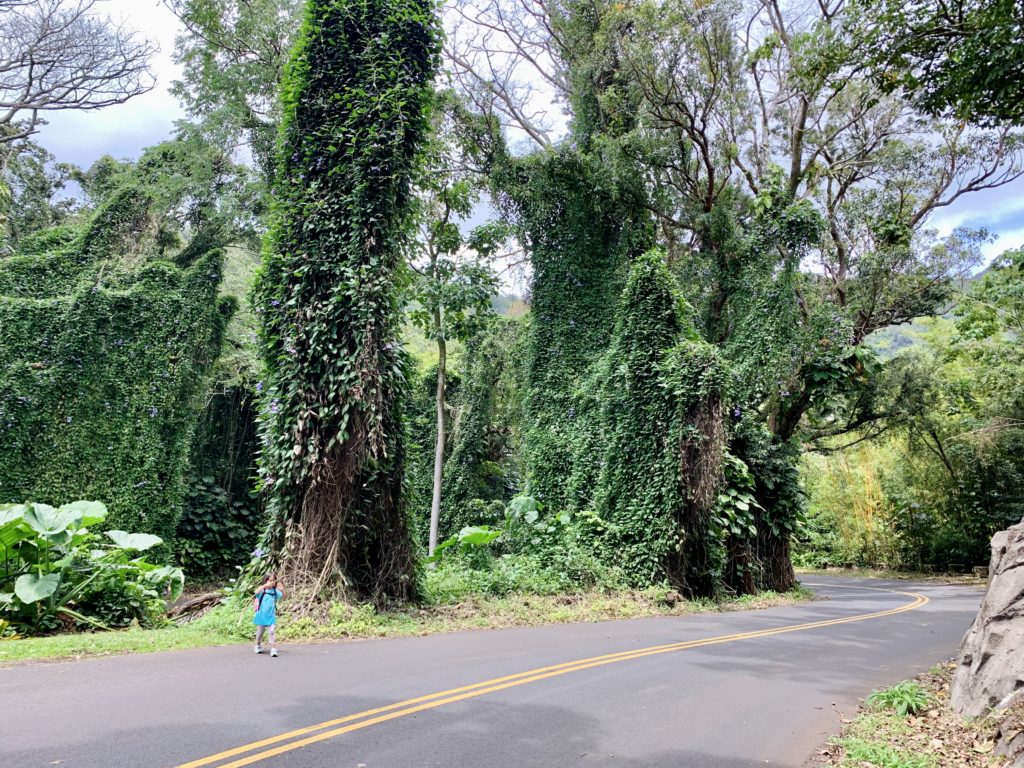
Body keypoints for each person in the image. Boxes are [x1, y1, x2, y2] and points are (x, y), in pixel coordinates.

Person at [253, 573, 283, 657]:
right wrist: (264, 586)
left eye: (273, 581)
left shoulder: (275, 591)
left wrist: (281, 589)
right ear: (266, 581)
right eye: (270, 580)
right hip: (261, 615)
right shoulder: (263, 590)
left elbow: (282, 596)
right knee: (260, 632)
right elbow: (256, 592)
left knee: (272, 631)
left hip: (271, 615)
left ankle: (273, 649)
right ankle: (257, 645)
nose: (272, 582)